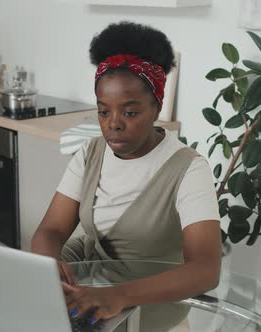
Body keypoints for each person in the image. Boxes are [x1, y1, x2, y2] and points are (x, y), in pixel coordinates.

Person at [31, 21, 221, 325]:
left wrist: (118, 296)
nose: (113, 124)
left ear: (157, 108)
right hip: (88, 293)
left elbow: (205, 270)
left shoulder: (188, 168)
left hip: (150, 307)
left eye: (130, 112)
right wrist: (48, 263)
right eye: (103, 111)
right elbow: (51, 230)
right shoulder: (90, 153)